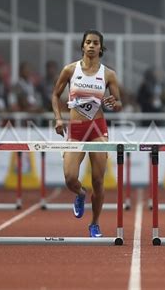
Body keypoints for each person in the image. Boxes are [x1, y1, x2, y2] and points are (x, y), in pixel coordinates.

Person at [52, 29, 122, 238]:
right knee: (70, 177)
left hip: (97, 129)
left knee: (99, 181)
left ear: (101, 48)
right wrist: (58, 118)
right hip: (76, 129)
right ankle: (80, 194)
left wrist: (114, 103)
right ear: (83, 46)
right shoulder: (70, 70)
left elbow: (118, 103)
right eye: (88, 42)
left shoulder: (108, 74)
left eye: (96, 43)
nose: (91, 46)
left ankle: (94, 223)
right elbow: (55, 95)